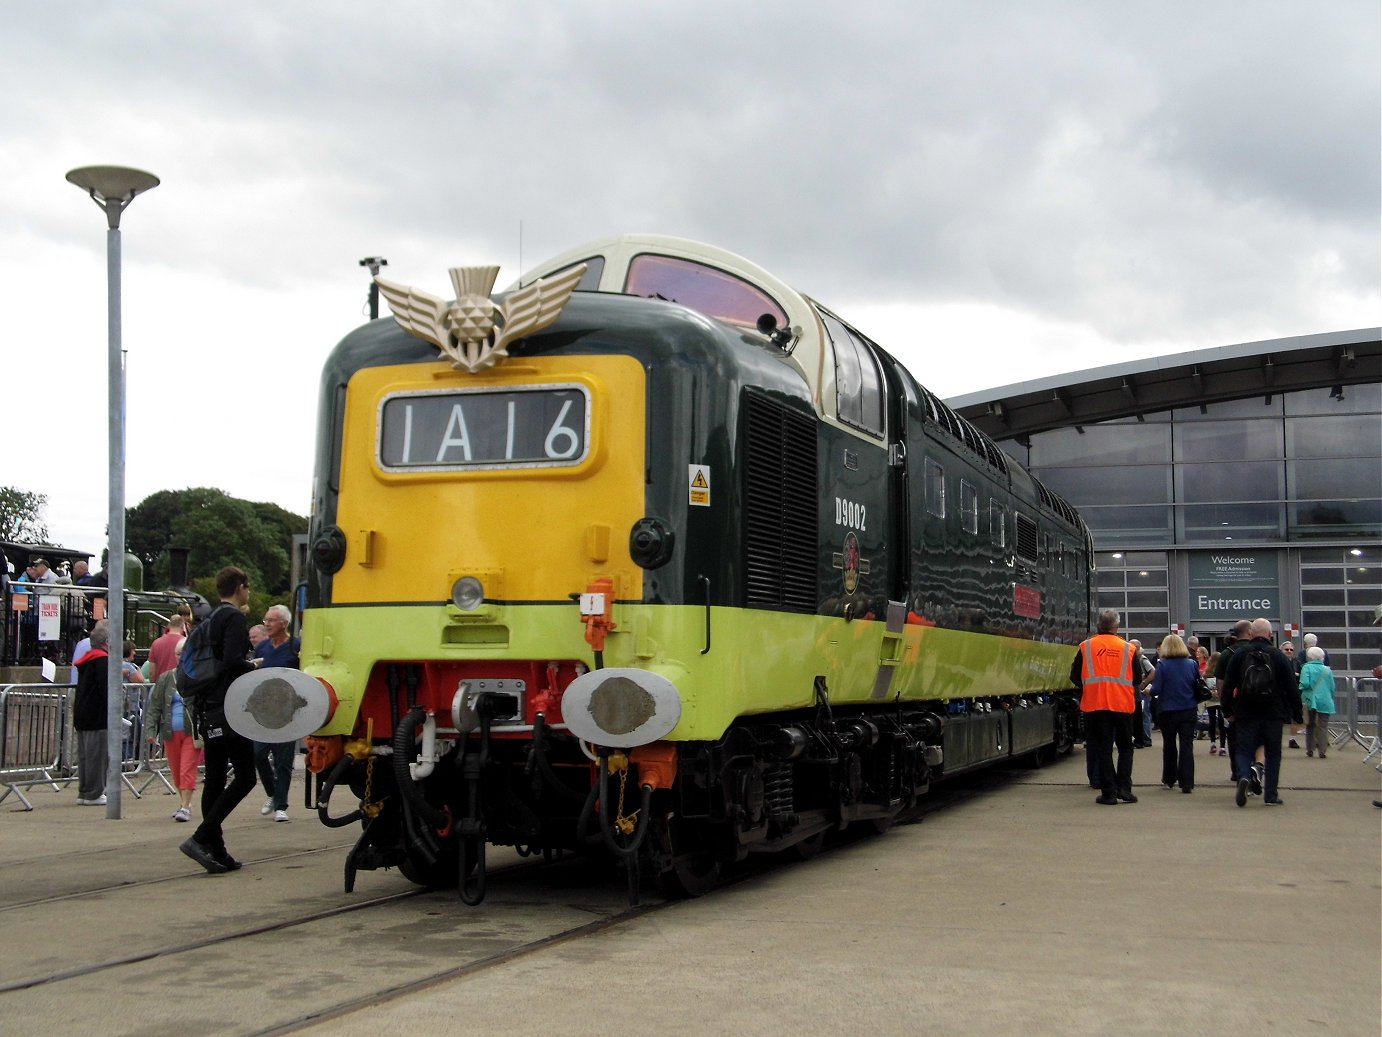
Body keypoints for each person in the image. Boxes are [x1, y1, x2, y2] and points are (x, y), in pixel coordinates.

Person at [179, 566, 257, 875]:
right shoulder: (234, 618)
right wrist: (254, 667)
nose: (248, 592)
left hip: (208, 705)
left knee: (213, 777)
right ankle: (201, 838)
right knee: (246, 777)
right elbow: (231, 662)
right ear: (240, 587)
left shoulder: (209, 619)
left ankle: (217, 848)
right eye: (247, 587)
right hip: (230, 706)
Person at [1222, 618, 1300, 807]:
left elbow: (1228, 684)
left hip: (1246, 710)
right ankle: (1271, 795)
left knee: (1243, 749)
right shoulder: (1278, 656)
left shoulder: (1239, 655)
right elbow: (1291, 687)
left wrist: (1227, 709)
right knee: (1273, 753)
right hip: (1273, 712)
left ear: (1250, 634)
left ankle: (1244, 776)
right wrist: (1297, 714)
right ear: (1270, 635)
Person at [1072, 609, 1140, 805]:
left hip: (1095, 705)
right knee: (1126, 747)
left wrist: (1089, 687)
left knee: (1103, 748)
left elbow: (1075, 676)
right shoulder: (1129, 648)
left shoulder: (1086, 647)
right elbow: (1136, 677)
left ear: (1099, 625)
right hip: (1122, 704)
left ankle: (1108, 793)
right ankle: (1125, 789)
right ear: (1116, 626)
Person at [252, 604, 301, 823]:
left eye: (271, 621)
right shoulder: (262, 648)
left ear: (284, 623)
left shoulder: (296, 646)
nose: (267, 624)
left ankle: (281, 805)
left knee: (283, 760)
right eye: (266, 620)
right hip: (265, 711)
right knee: (259, 754)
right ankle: (273, 793)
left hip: (287, 710)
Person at [145, 637, 199, 821]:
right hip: (170, 731)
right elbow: (155, 706)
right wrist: (151, 731)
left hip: (192, 732)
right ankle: (185, 803)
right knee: (176, 771)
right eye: (178, 654)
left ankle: (185, 807)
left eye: (185, 654)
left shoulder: (199, 676)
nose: (181, 657)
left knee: (186, 769)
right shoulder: (166, 678)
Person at [1150, 634, 1199, 793]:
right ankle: (1187, 782)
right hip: (1188, 708)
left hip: (1168, 710)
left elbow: (1156, 689)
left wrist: (1147, 690)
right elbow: (1196, 684)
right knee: (1187, 745)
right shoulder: (1192, 664)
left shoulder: (1162, 665)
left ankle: (1169, 779)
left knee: (1169, 745)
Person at [72, 623, 111, 806]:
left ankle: (85, 791)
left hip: (83, 713)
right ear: (106, 642)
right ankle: (95, 793)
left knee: (85, 756)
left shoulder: (86, 661)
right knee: (97, 755)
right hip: (97, 714)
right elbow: (106, 688)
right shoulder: (102, 661)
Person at [1298, 646, 1336, 758]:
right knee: (1323, 726)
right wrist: (1330, 697)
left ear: (1309, 657)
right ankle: (1322, 751)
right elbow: (1332, 687)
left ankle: (1310, 749)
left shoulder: (1306, 668)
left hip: (1310, 700)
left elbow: (1305, 683)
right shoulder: (1327, 670)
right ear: (1322, 657)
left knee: (1310, 724)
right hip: (1325, 699)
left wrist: (1300, 687)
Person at [147, 615, 186, 680]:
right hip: (180, 685)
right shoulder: (186, 642)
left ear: (168, 626)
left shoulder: (156, 643)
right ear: (182, 626)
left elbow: (152, 672)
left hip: (161, 685)